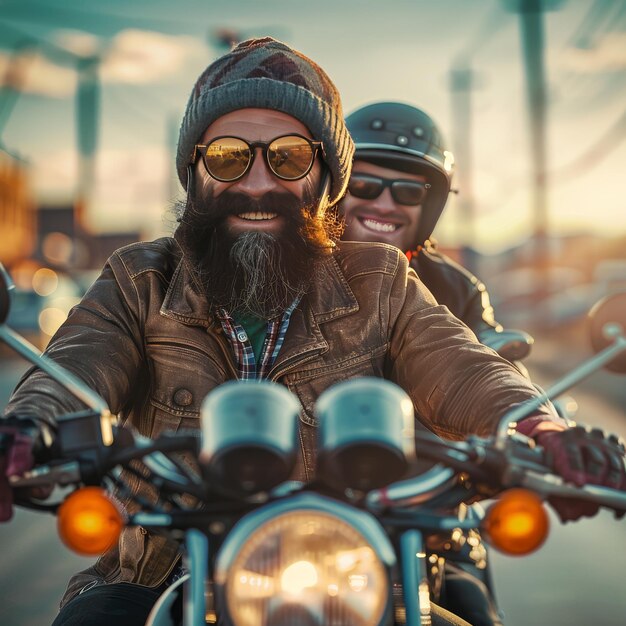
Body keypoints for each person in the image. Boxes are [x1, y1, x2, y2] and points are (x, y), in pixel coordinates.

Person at [0, 37, 623, 626]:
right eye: (227, 156)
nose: (257, 183)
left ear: (324, 179)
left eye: (289, 157)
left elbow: (462, 364)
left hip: (359, 572)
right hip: (164, 570)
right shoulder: (138, 281)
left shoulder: (380, 279)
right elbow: (76, 367)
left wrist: (540, 429)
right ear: (194, 174)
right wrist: (26, 429)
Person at [341, 101, 510, 626]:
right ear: (335, 187)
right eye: (365, 185)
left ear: (431, 205)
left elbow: (479, 363)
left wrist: (533, 424)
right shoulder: (289, 270)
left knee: (470, 610)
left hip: (424, 511)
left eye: (409, 191)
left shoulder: (455, 288)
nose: (385, 203)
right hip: (292, 505)